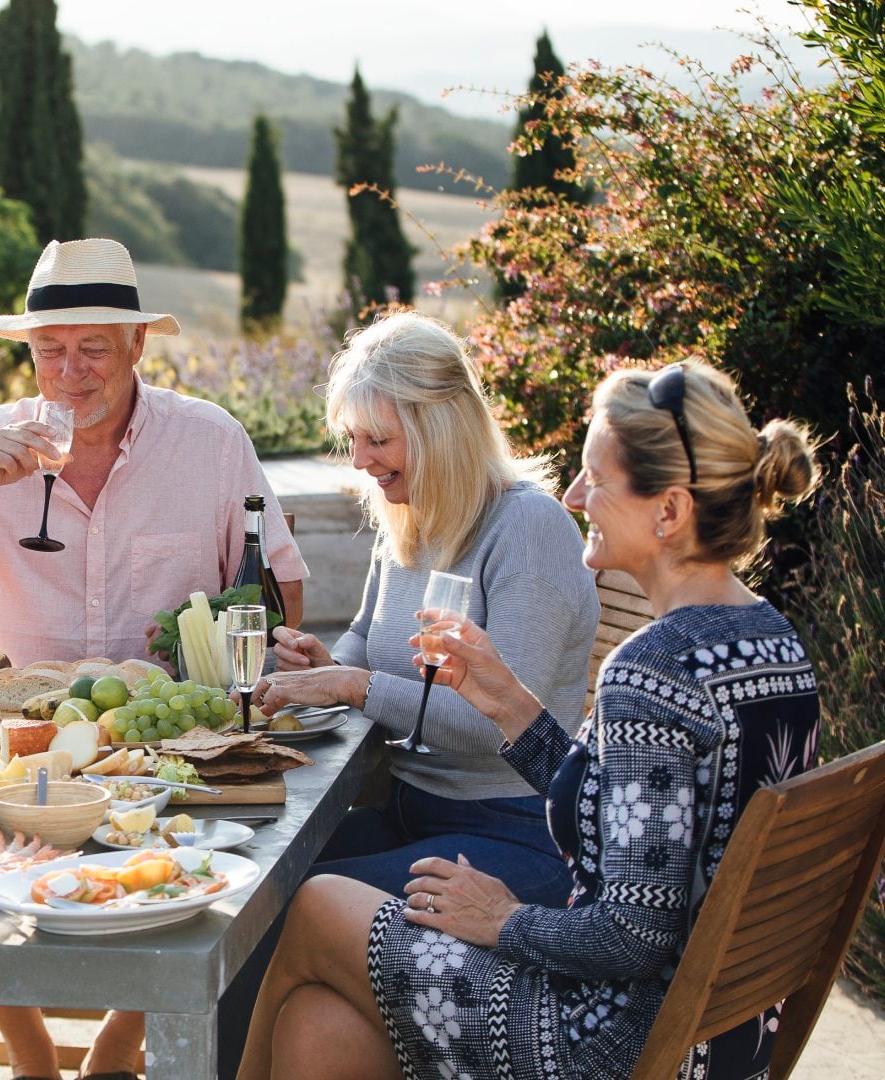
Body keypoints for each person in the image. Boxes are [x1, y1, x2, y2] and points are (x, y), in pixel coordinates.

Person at [239, 359, 821, 1079]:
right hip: (718, 1037)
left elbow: (633, 937)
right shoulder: (773, 643)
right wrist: (509, 704)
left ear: (667, 512)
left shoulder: (655, 669)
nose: (576, 496)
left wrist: (503, 919)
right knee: (319, 1028)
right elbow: (632, 817)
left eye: (596, 480)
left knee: (318, 903)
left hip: (606, 1040)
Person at [0, 238, 308, 1080]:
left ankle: (114, 1048)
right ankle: (28, 1058)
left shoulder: (208, 441)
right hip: (3, 744)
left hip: (159, 742)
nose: (70, 371)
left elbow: (280, 596)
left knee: (215, 855)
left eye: (94, 346)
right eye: (50, 349)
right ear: (28, 353)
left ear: (137, 345)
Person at [215, 312, 600, 1076]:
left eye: (377, 440)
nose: (360, 461)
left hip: (515, 840)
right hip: (412, 816)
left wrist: (355, 685)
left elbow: (499, 727)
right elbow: (364, 640)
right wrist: (322, 662)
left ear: (440, 427)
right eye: (352, 439)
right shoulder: (416, 520)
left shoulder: (527, 529)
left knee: (281, 912)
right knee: (242, 890)